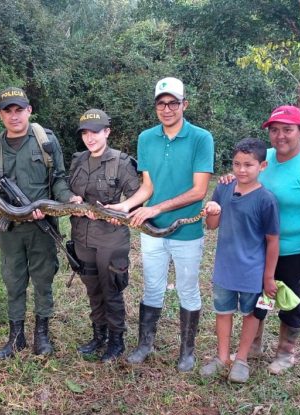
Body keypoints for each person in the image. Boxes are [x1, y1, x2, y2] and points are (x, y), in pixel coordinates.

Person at [106, 77, 214, 372]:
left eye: (173, 103)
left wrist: (155, 208)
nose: (167, 109)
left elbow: (198, 191)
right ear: (155, 106)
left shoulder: (201, 138)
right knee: (152, 287)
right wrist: (127, 205)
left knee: (187, 289)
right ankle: (144, 344)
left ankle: (187, 352)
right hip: (151, 230)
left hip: (186, 230)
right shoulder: (146, 138)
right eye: (161, 103)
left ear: (184, 105)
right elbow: (147, 187)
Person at [222, 105, 300, 375]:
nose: (280, 136)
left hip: (296, 251)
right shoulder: (264, 159)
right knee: (259, 298)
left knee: (291, 301)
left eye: (288, 129)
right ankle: (253, 345)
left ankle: (285, 352)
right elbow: (244, 179)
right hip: (259, 247)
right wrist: (231, 178)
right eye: (274, 130)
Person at [0, 87, 75, 359]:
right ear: (0, 114)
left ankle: (42, 335)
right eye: (8, 111)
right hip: (10, 229)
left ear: (29, 110)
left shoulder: (45, 140)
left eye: (19, 110)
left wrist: (66, 198)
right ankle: (16, 337)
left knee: (43, 279)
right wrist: (3, 210)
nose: (14, 116)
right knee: (13, 280)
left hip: (41, 226)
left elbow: (58, 177)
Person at [199, 138, 280, 383]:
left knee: (251, 314)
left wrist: (268, 277)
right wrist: (212, 211)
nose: (242, 170)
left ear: (262, 166)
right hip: (224, 268)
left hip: (252, 271)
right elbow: (212, 226)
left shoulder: (266, 200)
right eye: (236, 164)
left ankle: (242, 359)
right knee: (223, 312)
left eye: (249, 165)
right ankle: (222, 357)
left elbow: (273, 241)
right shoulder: (223, 188)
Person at [68, 109, 140, 362]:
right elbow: (66, 187)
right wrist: (71, 198)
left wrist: (122, 208)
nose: (90, 138)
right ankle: (99, 336)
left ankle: (116, 340)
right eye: (85, 133)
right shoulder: (78, 160)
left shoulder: (121, 162)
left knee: (111, 290)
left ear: (107, 132)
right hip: (82, 236)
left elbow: (138, 196)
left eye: (95, 132)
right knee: (93, 290)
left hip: (111, 238)